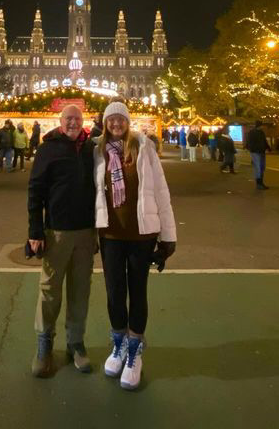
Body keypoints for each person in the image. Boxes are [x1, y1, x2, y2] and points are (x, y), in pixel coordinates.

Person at [94, 102, 176, 391]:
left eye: (120, 119)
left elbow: (162, 191)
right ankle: (119, 344)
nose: (116, 123)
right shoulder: (97, 150)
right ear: (105, 123)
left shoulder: (144, 147)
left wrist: (168, 236)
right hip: (111, 235)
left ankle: (135, 349)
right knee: (115, 290)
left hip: (142, 235)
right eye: (111, 119)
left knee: (137, 289)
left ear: (127, 121)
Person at [28, 105, 96, 378]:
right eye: (69, 118)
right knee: (50, 290)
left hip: (86, 231)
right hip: (57, 231)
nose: (73, 123)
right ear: (60, 121)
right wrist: (35, 230)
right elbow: (35, 190)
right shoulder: (48, 149)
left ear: (83, 122)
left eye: (77, 119)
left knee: (81, 291)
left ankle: (75, 343)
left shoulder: (92, 149)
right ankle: (44, 345)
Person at [244, 120, 269, 190]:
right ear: (259, 125)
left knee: (262, 167)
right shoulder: (252, 132)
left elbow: (264, 141)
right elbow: (250, 142)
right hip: (256, 152)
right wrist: (252, 149)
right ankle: (259, 183)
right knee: (258, 167)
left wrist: (267, 148)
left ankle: (261, 183)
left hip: (261, 151)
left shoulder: (261, 132)